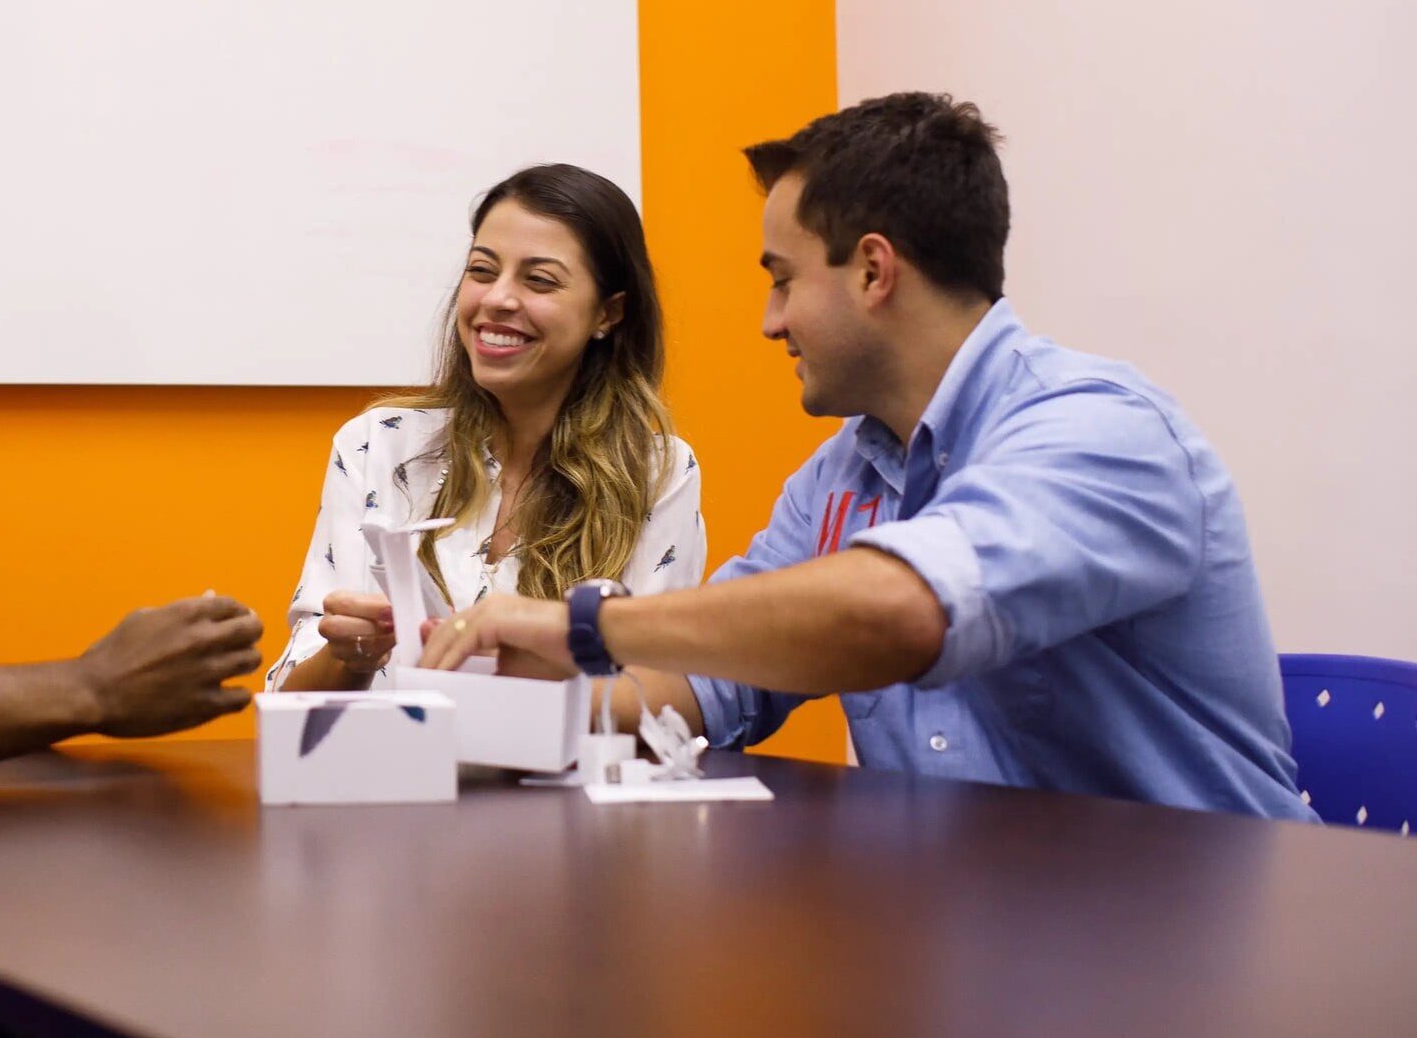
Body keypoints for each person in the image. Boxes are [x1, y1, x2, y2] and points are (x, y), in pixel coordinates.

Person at [420, 94, 1313, 821]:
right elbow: (712, 683)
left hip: (1193, 948)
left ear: (874, 272)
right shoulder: (841, 476)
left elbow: (901, 611)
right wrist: (494, 710)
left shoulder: (1100, 434)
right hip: (982, 940)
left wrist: (582, 625)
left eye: (782, 279)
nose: (770, 320)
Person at [267, 163, 704, 699]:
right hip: (389, 778)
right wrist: (350, 656)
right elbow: (288, 704)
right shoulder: (376, 444)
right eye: (481, 270)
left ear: (607, 314)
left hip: (561, 784)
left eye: (539, 280)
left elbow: (650, 693)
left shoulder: (656, 472)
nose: (497, 299)